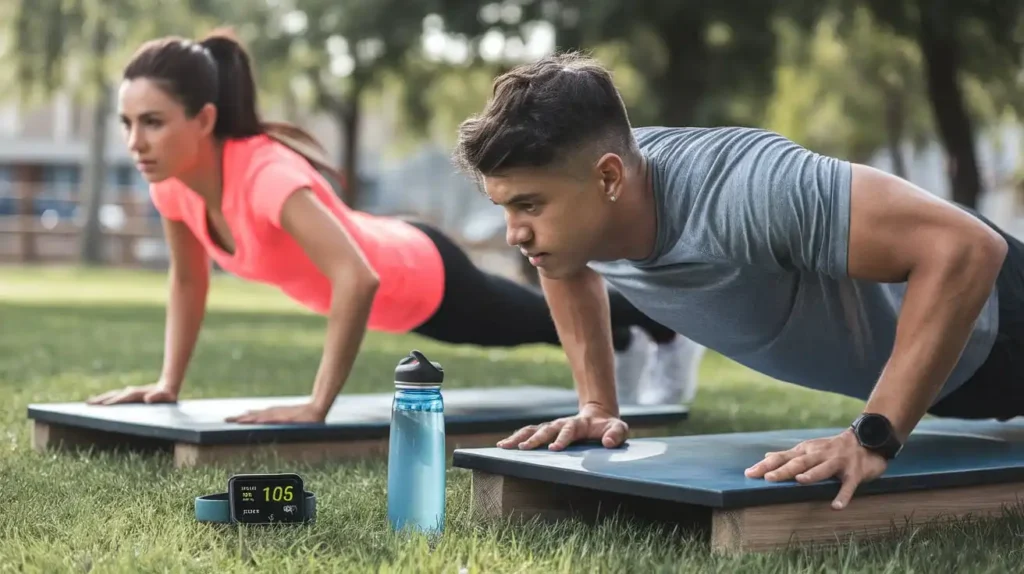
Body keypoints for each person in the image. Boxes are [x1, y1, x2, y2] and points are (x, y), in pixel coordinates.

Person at [452, 51, 1023, 511]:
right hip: (949, 381)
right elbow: (567, 269)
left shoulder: (746, 189)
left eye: (529, 205)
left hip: (1002, 319)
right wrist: (598, 404)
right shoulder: (581, 207)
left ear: (609, 178)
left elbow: (967, 248)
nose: (514, 235)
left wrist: (872, 436)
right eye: (506, 208)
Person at [84, 31, 705, 423]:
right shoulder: (171, 186)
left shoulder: (265, 175)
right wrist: (168, 384)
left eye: (152, 122)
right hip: (398, 279)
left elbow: (356, 276)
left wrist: (315, 406)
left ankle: (663, 325)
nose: (135, 141)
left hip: (419, 273)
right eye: (127, 123)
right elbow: (189, 283)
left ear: (205, 119)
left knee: (532, 320)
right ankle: (630, 338)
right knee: (535, 324)